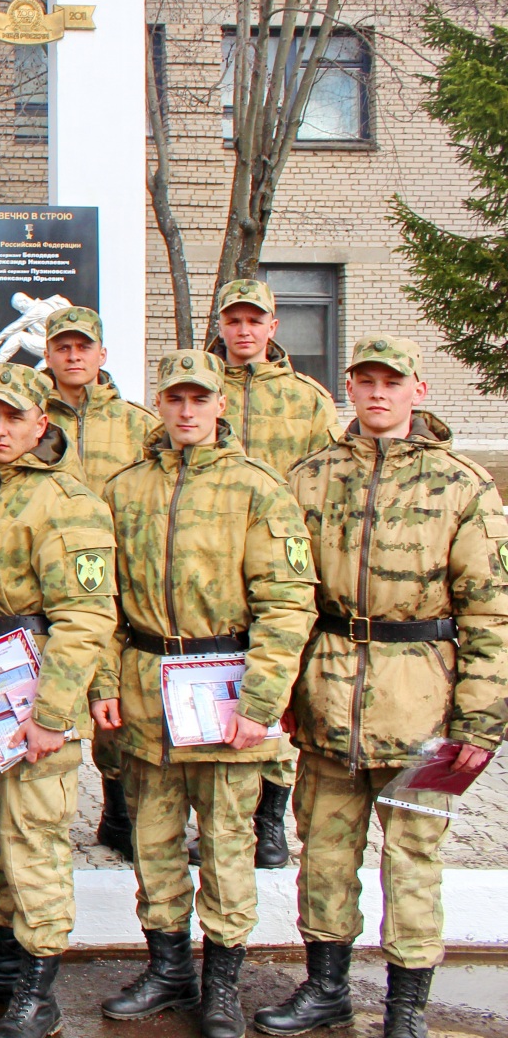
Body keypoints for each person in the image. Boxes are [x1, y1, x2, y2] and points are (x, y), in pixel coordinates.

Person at [256, 336, 508, 1038]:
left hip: (423, 700)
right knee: (326, 852)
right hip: (329, 695)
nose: (377, 393)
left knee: (414, 858)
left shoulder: (460, 485)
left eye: (390, 382)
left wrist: (480, 725)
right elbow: (286, 594)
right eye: (364, 381)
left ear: (417, 391)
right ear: (349, 389)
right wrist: (280, 692)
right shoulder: (310, 479)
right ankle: (326, 986)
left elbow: (491, 610)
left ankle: (406, 1007)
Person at [94, 349, 317, 1038]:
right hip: (147, 690)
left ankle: (222, 983)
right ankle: (167, 969)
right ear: (158, 404)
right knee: (154, 842)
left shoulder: (258, 487)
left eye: (199, 398)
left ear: (220, 404)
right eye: (175, 398)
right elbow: (100, 598)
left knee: (224, 843)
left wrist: (262, 699)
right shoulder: (125, 488)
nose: (187, 410)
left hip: (222, 686)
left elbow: (287, 600)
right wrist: (104, 681)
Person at [0, 363, 118, 1038]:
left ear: (43, 423)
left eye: (14, 417)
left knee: (33, 837)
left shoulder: (68, 503)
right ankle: (5, 962)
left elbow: (86, 618)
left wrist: (52, 715)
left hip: (34, 684)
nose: (0, 428)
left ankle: (38, 990)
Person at [207, 277, 341, 869]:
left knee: (277, 686)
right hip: (212, 558)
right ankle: (218, 815)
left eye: (253, 320)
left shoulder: (307, 398)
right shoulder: (201, 385)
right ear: (222, 326)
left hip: (282, 556)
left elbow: (327, 477)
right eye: (233, 320)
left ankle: (269, 819)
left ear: (272, 326)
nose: (243, 330)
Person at [38, 305, 158, 863]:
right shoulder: (30, 415)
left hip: (121, 574)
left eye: (83, 346)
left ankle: (117, 809)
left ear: (102, 355)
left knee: (117, 695)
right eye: (63, 346)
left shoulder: (136, 424)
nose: (73, 355)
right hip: (48, 578)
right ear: (48, 354)